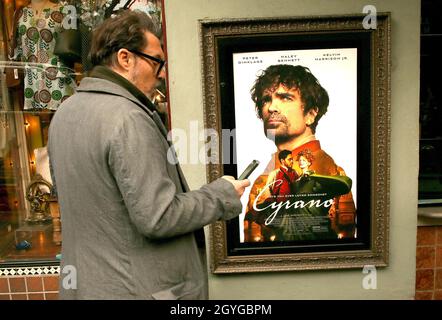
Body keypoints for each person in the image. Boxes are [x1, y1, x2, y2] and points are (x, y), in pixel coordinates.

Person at [48, 10, 250, 300]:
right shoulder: (128, 118)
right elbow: (159, 216)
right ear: (124, 58)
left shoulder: (65, 113)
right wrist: (222, 194)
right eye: (157, 62)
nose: (163, 72)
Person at [244, 64, 356, 242]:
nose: (271, 107)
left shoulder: (327, 172)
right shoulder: (265, 178)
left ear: (311, 114)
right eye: (266, 99)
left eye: (285, 98)